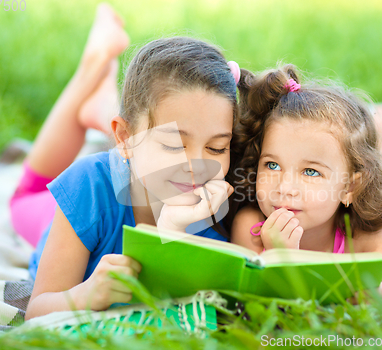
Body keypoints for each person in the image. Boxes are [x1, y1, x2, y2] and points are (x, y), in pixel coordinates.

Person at [19, 4, 239, 320]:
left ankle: (98, 104)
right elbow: (35, 311)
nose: (198, 165)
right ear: (125, 138)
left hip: (129, 167)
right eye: (174, 144)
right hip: (62, 211)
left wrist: (175, 231)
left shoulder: (218, 208)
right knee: (27, 193)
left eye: (217, 147)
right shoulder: (87, 187)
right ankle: (93, 66)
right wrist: (83, 295)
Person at [230, 65, 382, 306]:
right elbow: (253, 308)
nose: (285, 187)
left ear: (349, 189)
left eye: (311, 171)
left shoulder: (364, 239)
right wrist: (281, 257)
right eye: (272, 165)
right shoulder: (252, 227)